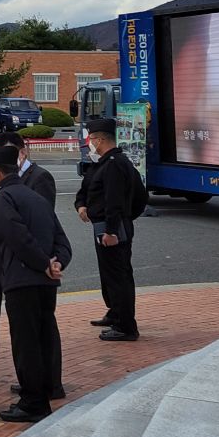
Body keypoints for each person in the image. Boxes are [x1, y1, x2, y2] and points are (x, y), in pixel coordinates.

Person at [0, 144, 71, 423]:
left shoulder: (0, 199)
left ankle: (33, 401)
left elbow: (17, 237)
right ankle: (45, 389)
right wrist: (56, 264)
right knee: (44, 338)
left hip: (21, 280)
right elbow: (62, 241)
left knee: (26, 343)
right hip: (46, 283)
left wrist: (43, 264)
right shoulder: (36, 198)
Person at [74, 117, 142, 342]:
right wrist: (82, 205)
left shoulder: (115, 164)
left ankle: (125, 326)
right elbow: (85, 190)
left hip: (113, 229)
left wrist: (112, 231)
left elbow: (116, 202)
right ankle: (115, 313)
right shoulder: (101, 164)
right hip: (104, 226)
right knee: (109, 275)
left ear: (100, 139)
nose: (89, 144)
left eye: (91, 139)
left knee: (118, 277)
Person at [0, 131, 57, 206]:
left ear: (23, 153)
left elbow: (44, 212)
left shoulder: (40, 177)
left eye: (9, 154)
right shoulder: (2, 177)